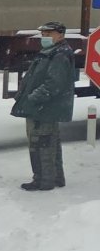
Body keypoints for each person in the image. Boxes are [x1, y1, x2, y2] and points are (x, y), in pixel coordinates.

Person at [10, 20, 76, 191]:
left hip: (44, 107)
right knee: (49, 142)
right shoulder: (51, 51)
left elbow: (54, 84)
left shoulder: (59, 54)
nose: (44, 37)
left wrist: (33, 98)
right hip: (43, 107)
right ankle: (55, 178)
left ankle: (43, 180)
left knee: (41, 143)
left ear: (60, 35)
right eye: (43, 34)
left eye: (49, 34)